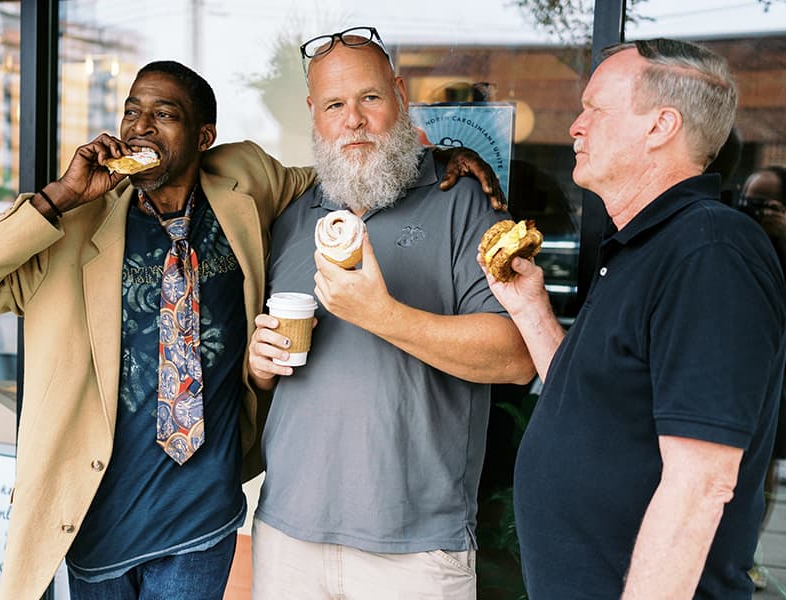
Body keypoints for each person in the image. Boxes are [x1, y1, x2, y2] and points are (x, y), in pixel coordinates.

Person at [0, 59, 500, 599]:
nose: (140, 128)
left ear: (203, 138)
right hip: (94, 519)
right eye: (131, 111)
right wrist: (62, 195)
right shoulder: (72, 227)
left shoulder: (246, 188)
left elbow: (353, 165)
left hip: (201, 519)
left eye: (164, 115)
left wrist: (437, 160)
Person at [477, 39, 786, 598]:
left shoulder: (709, 251)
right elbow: (594, 407)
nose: (575, 125)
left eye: (595, 108)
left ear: (660, 126)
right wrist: (533, 312)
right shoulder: (645, 246)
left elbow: (701, 483)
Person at [247, 26, 535, 599]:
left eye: (370, 98)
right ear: (314, 113)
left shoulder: (463, 202)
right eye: (334, 104)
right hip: (287, 536)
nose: (352, 119)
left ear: (400, 96)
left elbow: (517, 357)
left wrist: (382, 314)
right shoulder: (292, 216)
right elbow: (268, 378)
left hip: (416, 548)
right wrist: (259, 366)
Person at [738, 164, 786, 590]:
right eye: (750, 201)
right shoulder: (732, 238)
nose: (756, 211)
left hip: (777, 366)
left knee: (763, 463)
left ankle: (746, 552)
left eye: (768, 204)